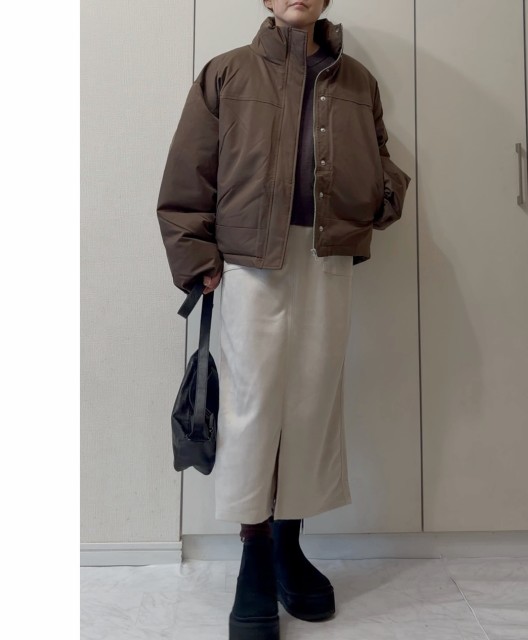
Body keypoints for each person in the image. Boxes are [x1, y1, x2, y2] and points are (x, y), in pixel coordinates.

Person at [156, 1, 411, 637]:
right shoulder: (227, 72)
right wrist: (197, 256)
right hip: (248, 260)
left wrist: (382, 195)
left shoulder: (356, 80)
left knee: (311, 402)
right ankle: (255, 552)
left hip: (326, 255)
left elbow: (380, 156)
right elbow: (189, 170)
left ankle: (288, 546)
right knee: (252, 404)